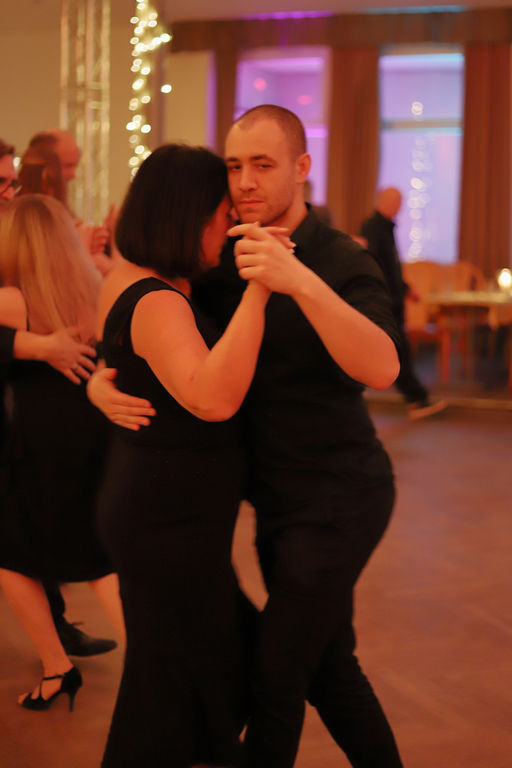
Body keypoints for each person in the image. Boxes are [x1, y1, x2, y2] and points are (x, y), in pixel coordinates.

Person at [89, 106, 404, 768]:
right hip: (268, 500)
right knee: (327, 665)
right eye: (234, 165)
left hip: (338, 499)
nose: (245, 182)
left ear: (301, 167)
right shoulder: (220, 256)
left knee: (277, 676)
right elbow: (158, 329)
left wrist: (297, 281)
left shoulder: (341, 257)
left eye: (263, 164)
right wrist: (101, 382)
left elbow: (383, 368)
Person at [95, 143, 271, 768]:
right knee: (167, 681)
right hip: (167, 521)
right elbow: (213, 398)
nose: (229, 226)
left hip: (171, 515)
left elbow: (119, 365)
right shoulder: (158, 299)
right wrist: (261, 292)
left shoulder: (156, 282)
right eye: (222, 214)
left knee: (195, 666)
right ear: (187, 216)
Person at [0, 194, 124, 711]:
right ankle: (159, 668)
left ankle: (61, 667)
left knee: (13, 557)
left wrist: (32, 345)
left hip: (42, 447)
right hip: (96, 434)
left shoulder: (14, 299)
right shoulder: (96, 288)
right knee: (97, 557)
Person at [360, 187, 447, 419]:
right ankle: (416, 398)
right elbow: (375, 266)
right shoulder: (373, 228)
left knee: (398, 351)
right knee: (398, 351)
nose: (399, 206)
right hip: (384, 301)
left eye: (400, 202)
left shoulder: (386, 227)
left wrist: (406, 289)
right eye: (396, 201)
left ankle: (416, 398)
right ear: (383, 201)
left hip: (393, 299)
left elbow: (391, 267)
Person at [19, 130, 114, 275]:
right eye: (68, 166)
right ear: (45, 168)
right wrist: (80, 246)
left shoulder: (59, 208)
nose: (73, 175)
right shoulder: (24, 214)